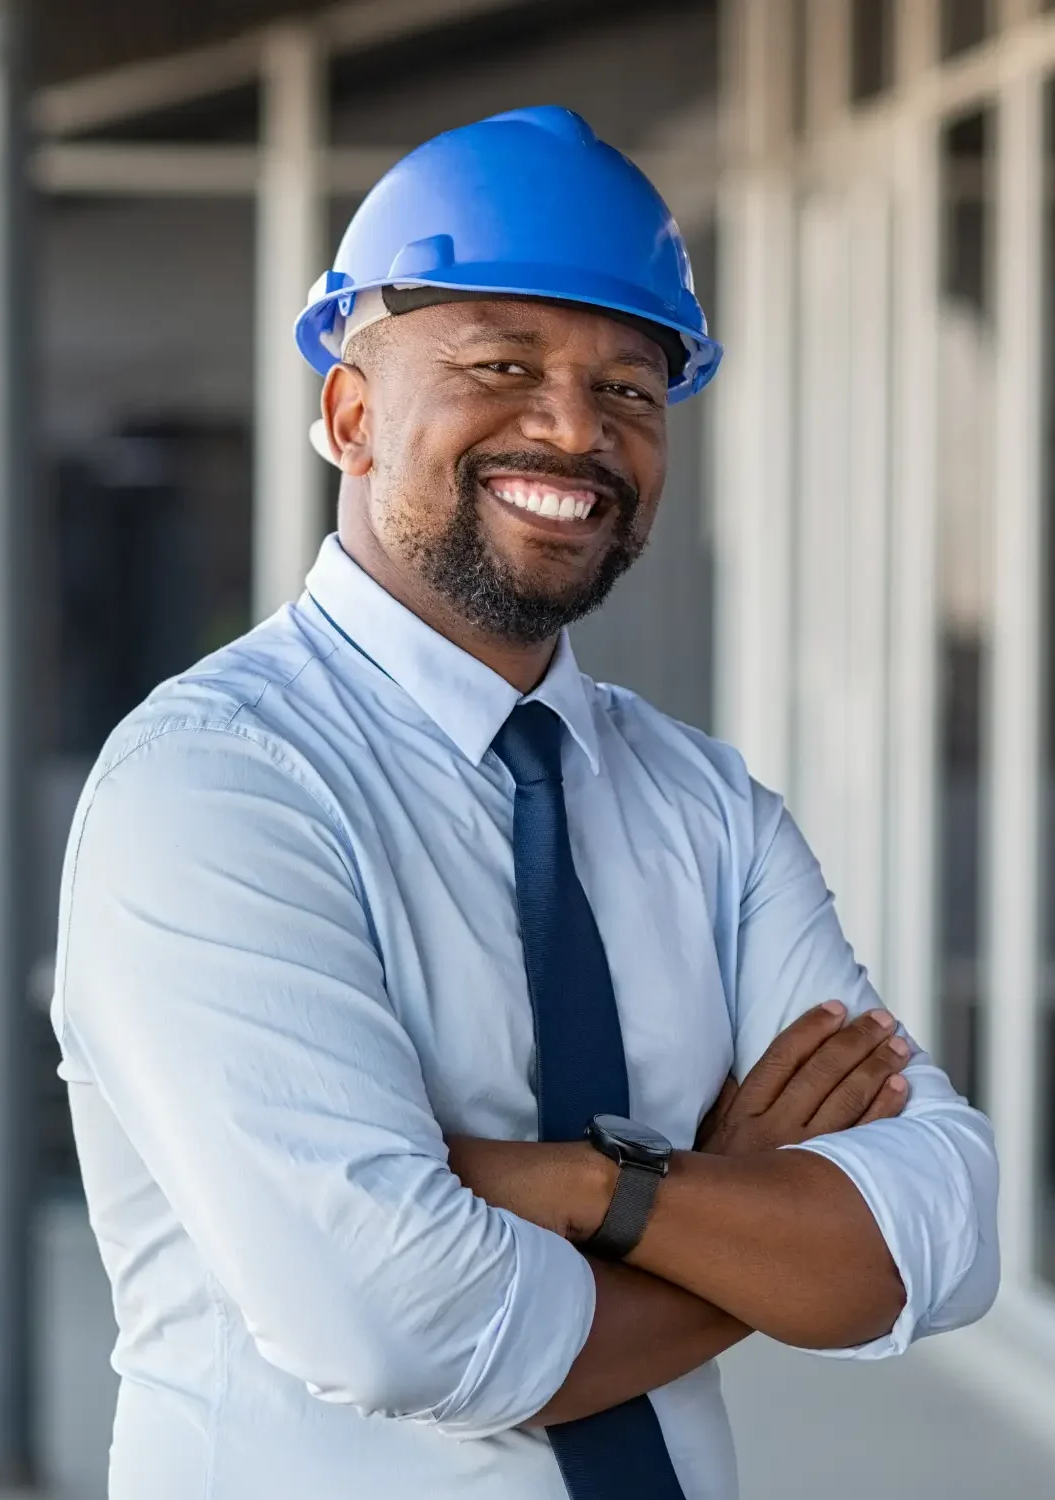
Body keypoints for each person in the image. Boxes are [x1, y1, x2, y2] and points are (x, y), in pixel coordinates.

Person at [51, 107, 998, 1500]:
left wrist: (587, 1188)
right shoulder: (214, 790)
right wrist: (740, 1212)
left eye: (631, 387)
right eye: (503, 362)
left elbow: (949, 1229)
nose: (576, 428)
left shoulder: (705, 806)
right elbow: (403, 1328)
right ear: (352, 413)